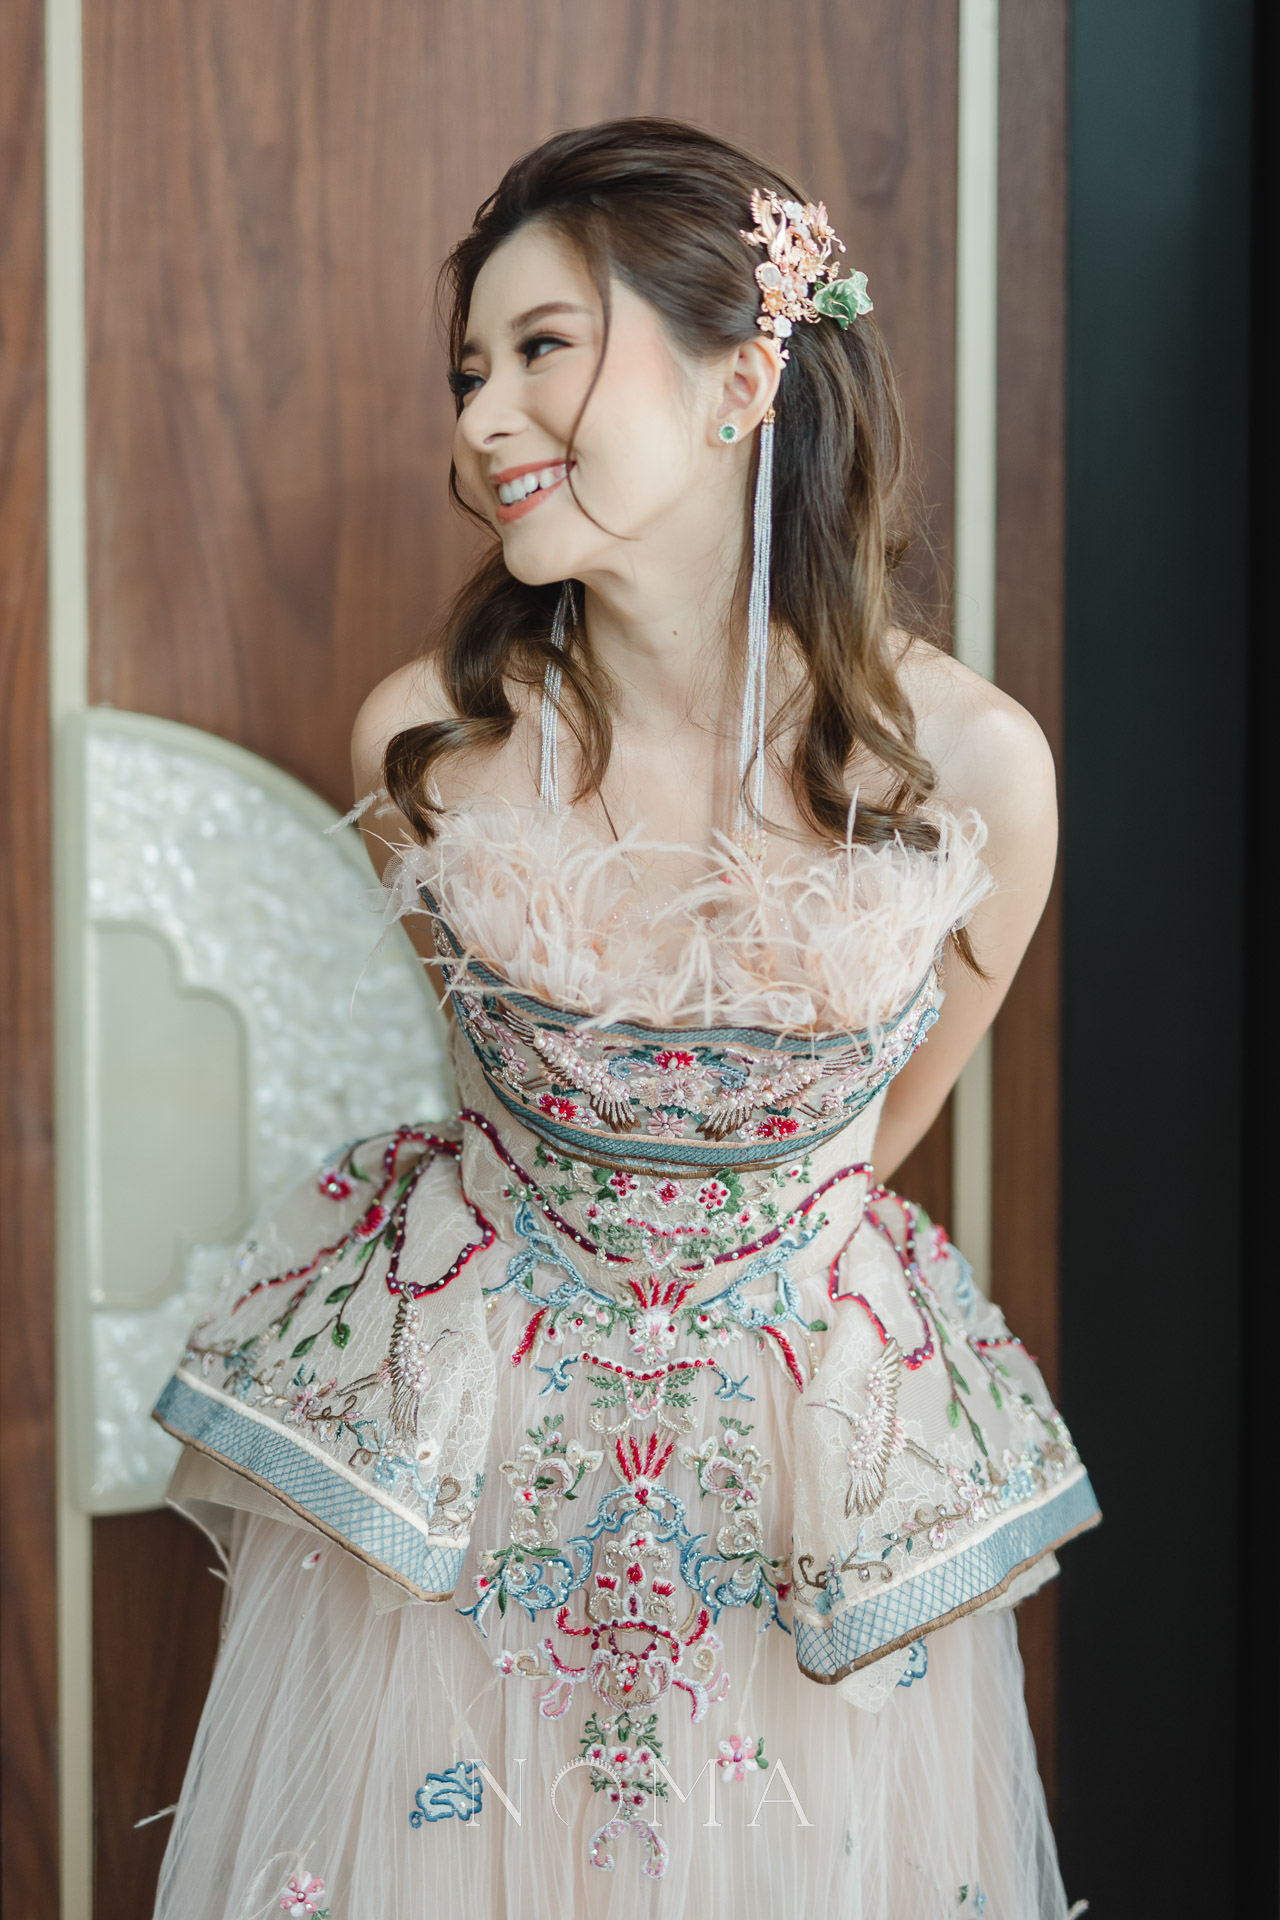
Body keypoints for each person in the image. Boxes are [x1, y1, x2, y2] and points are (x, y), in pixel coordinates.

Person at [149, 118, 1097, 1920]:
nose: (482, 421)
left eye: (542, 350)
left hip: (799, 1506)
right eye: (469, 373)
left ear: (744, 380)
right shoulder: (426, 751)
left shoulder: (973, 775)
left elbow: (869, 1148)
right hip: (473, 1484)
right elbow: (496, 1098)